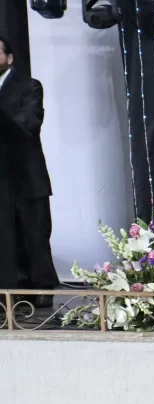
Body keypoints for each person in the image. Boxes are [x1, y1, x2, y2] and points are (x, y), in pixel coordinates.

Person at [0, 36, 58, 306]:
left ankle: (42, 293)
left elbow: (29, 124)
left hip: (25, 176)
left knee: (34, 235)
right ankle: (8, 294)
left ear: (9, 58)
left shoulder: (29, 86)